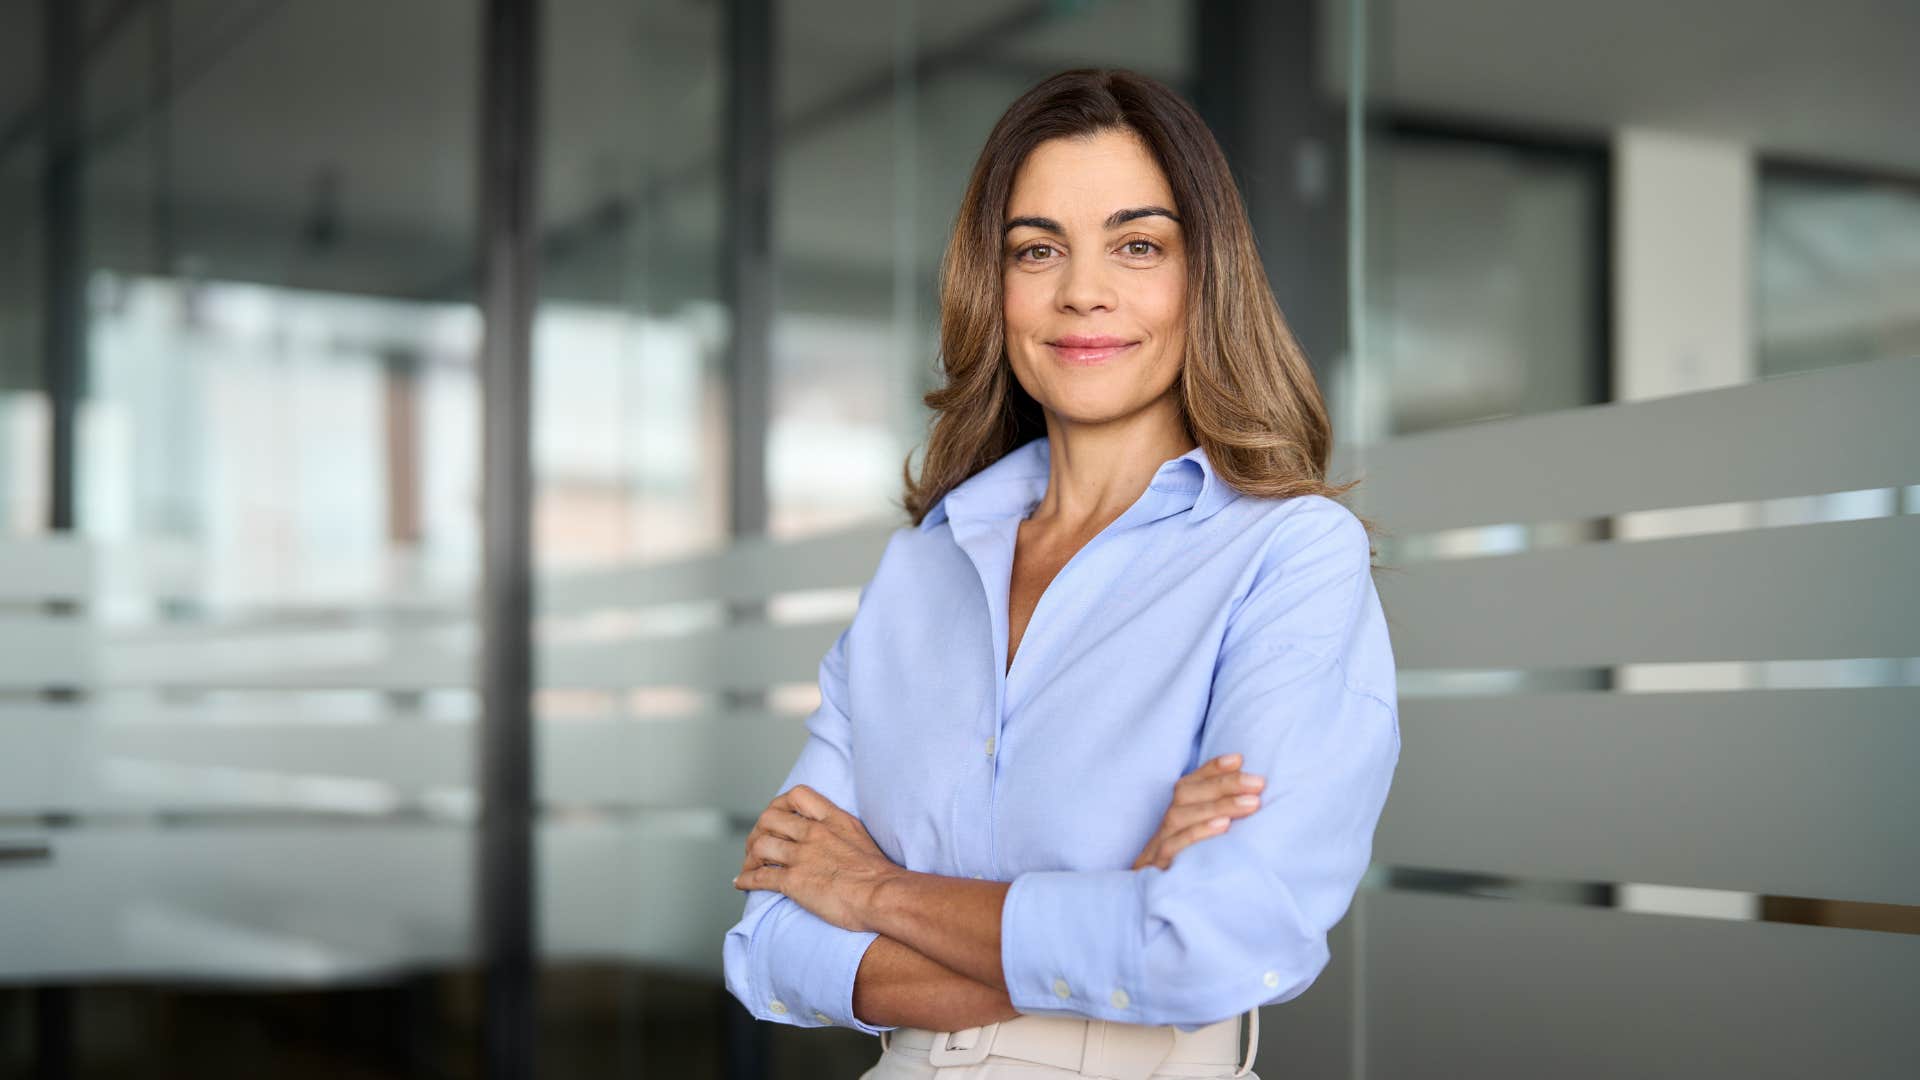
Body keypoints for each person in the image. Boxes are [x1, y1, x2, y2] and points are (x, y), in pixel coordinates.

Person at [722, 67, 1399, 1080]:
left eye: (1138, 245)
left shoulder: (1289, 555)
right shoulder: (921, 569)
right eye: (1037, 250)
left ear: (1204, 277)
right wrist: (1109, 910)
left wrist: (874, 893)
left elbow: (1212, 942)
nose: (1083, 291)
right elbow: (770, 942)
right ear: (991, 288)